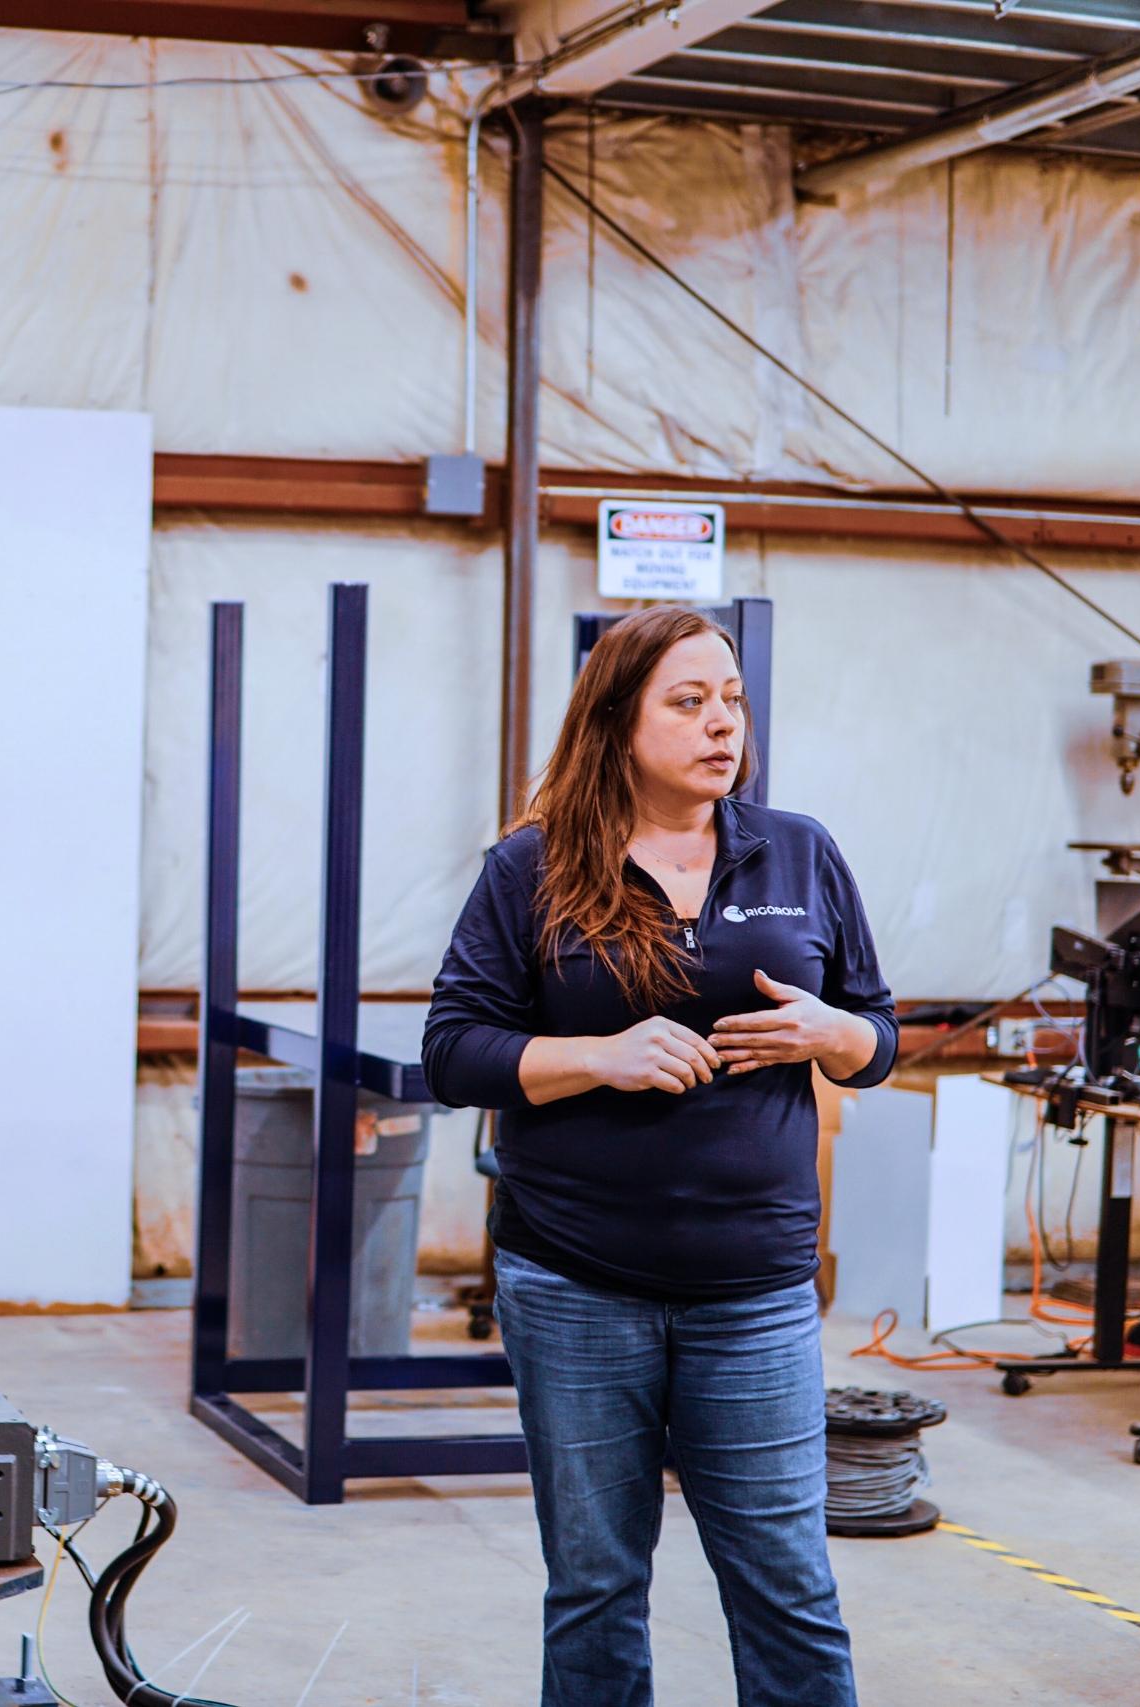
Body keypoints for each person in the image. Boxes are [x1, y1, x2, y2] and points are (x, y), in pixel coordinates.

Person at [423, 605, 894, 1707]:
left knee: (785, 1581)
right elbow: (453, 1052)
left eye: (729, 701)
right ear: (616, 721)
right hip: (575, 1283)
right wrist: (599, 1055)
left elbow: (878, 1033)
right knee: (593, 1583)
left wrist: (833, 1036)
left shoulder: (801, 851)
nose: (720, 724)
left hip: (755, 1289)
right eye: (687, 703)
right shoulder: (530, 868)